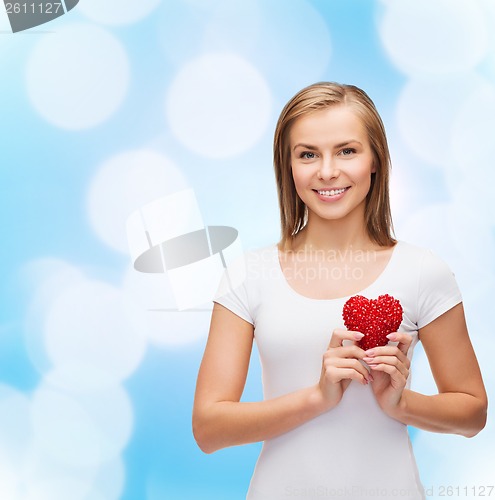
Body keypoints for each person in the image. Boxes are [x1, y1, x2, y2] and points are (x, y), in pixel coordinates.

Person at [192, 82, 487, 499]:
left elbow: (473, 412)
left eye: (347, 150)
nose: (327, 171)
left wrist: (401, 404)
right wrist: (316, 398)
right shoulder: (248, 275)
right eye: (308, 154)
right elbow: (208, 429)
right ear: (288, 166)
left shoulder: (423, 271)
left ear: (375, 162)